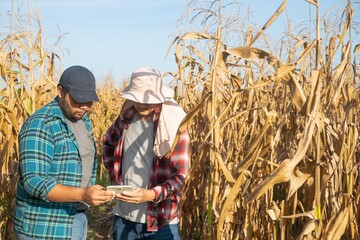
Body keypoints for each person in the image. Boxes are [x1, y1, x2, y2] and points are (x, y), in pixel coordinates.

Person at [13, 65, 115, 240]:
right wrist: (82, 194)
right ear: (60, 91)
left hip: (76, 217)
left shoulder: (83, 121)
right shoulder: (41, 124)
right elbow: (34, 181)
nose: (85, 106)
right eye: (78, 99)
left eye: (89, 100)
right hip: (44, 226)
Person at [103, 67, 190, 240]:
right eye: (138, 98)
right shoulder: (126, 118)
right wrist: (114, 178)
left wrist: (150, 195)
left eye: (147, 100)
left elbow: (180, 174)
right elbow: (108, 144)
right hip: (124, 217)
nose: (142, 104)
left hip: (162, 221)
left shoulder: (174, 126)